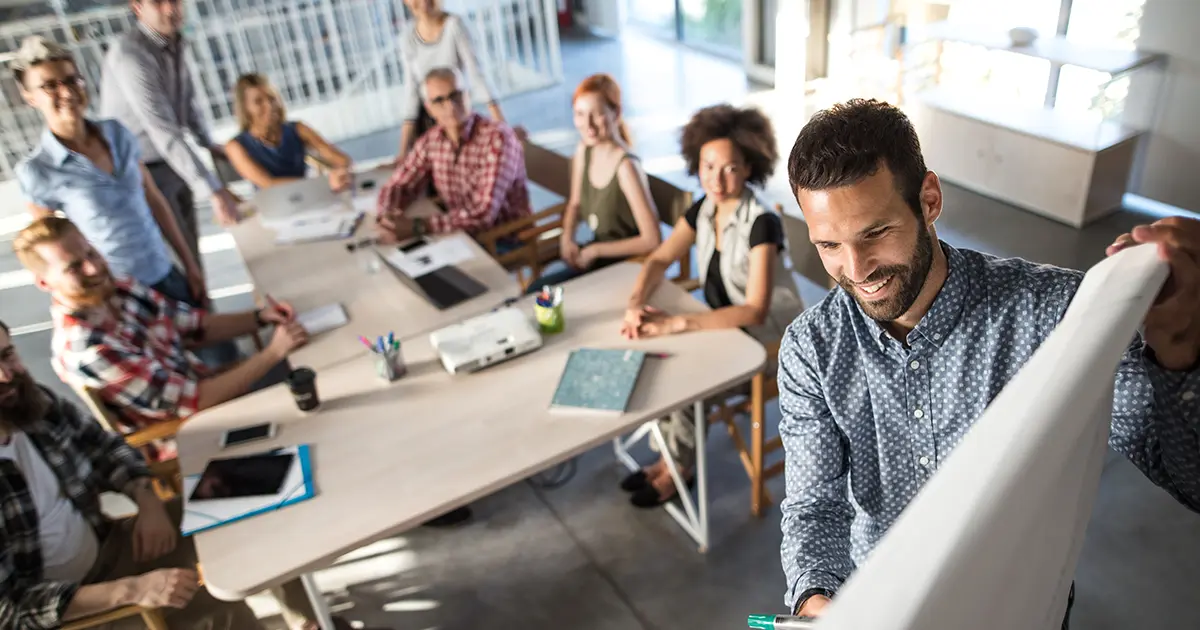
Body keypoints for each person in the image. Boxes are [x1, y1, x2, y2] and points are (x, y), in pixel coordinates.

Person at [778, 98, 1200, 625]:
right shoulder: (810, 348)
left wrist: (1180, 357)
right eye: (829, 246)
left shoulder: (1054, 315)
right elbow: (814, 508)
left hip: (1019, 609)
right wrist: (816, 600)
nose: (856, 268)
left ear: (928, 200)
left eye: (875, 233)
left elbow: (1189, 479)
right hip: (884, 610)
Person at [0, 318, 266, 630]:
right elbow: (8, 610)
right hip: (76, 611)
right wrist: (131, 590)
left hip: (112, 545)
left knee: (247, 495)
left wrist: (148, 502)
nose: (6, 376)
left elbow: (107, 448)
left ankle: (307, 618)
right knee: (217, 614)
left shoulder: (31, 404)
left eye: (7, 356)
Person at [11, 36, 238, 371]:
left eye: (72, 79)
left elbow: (155, 200)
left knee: (224, 359)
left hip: (165, 272)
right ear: (29, 97)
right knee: (175, 381)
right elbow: (50, 258)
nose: (67, 91)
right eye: (50, 86)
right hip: (119, 295)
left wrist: (190, 265)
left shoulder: (116, 133)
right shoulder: (38, 171)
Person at [618, 104, 804, 508]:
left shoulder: (762, 223)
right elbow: (658, 259)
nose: (716, 180)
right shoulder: (702, 208)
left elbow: (755, 310)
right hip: (726, 328)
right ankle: (670, 457)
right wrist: (635, 302)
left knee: (686, 380)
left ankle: (676, 468)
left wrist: (677, 324)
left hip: (768, 342)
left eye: (730, 168)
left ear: (750, 168)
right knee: (660, 359)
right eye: (708, 167)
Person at [13, 216, 307, 465]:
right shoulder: (89, 350)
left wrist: (260, 318)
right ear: (44, 283)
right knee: (313, 386)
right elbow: (195, 402)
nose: (93, 268)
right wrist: (272, 353)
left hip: (214, 391)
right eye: (74, 267)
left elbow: (194, 326)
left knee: (314, 363)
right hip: (194, 435)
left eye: (91, 253)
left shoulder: (120, 289)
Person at [100, 0, 244, 269]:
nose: (170, 9)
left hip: (171, 163)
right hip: (142, 171)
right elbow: (161, 127)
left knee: (192, 253)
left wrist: (208, 142)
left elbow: (186, 100)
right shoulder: (130, 54)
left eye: (176, 0)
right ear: (137, 7)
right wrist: (213, 189)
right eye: (158, 2)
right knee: (177, 260)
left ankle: (203, 308)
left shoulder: (175, 42)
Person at [527, 73, 661, 293]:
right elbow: (575, 204)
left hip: (626, 266)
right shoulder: (584, 149)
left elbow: (652, 240)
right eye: (580, 114)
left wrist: (596, 250)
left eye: (597, 114)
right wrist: (567, 236)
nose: (587, 124)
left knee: (542, 293)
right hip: (595, 258)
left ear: (616, 113)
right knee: (538, 292)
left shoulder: (627, 167)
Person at [375, 66, 531, 243]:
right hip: (459, 234)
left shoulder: (498, 138)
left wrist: (418, 226)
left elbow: (484, 214)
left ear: (468, 95)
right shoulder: (431, 140)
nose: (450, 106)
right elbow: (399, 184)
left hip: (502, 238)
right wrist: (386, 215)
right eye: (439, 101)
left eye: (456, 95)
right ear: (429, 109)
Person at [394, 0, 508, 162]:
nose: (424, 2)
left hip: (455, 115)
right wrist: (403, 151)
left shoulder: (455, 25)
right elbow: (411, 91)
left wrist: (503, 129)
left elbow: (477, 74)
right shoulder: (407, 37)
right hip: (426, 121)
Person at [225, 73, 353, 191]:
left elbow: (341, 160)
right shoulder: (235, 146)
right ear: (245, 109)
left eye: (272, 99)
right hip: (273, 209)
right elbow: (268, 184)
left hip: (309, 199)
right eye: (259, 102)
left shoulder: (298, 128)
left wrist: (339, 171)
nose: (270, 106)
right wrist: (323, 183)